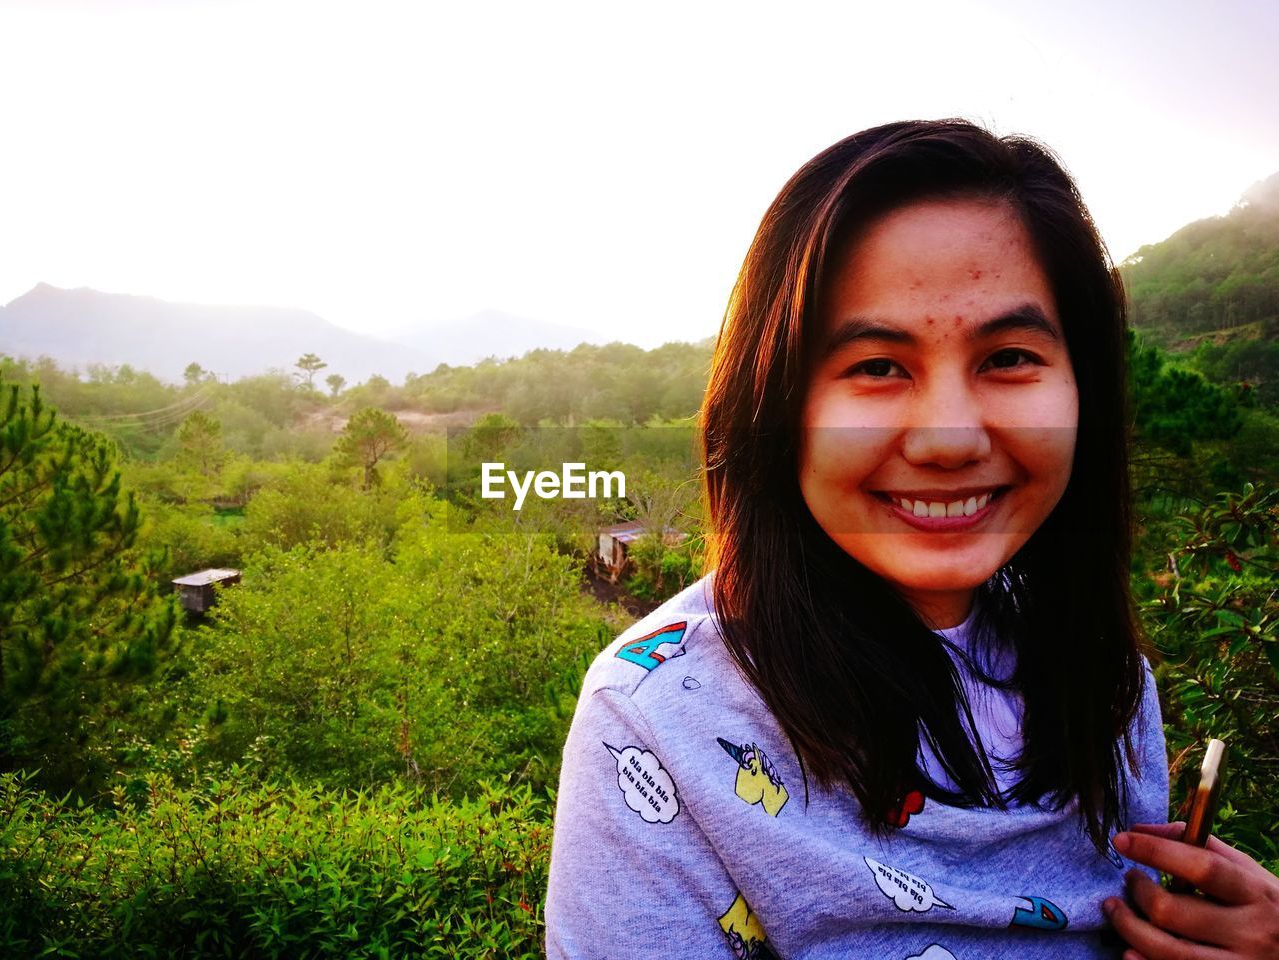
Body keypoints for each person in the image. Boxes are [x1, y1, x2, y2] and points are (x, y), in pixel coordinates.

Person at [544, 120, 1279, 959]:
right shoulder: (658, 722)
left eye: (1007, 356)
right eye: (877, 368)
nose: (948, 439)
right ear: (777, 407)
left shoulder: (1100, 674)